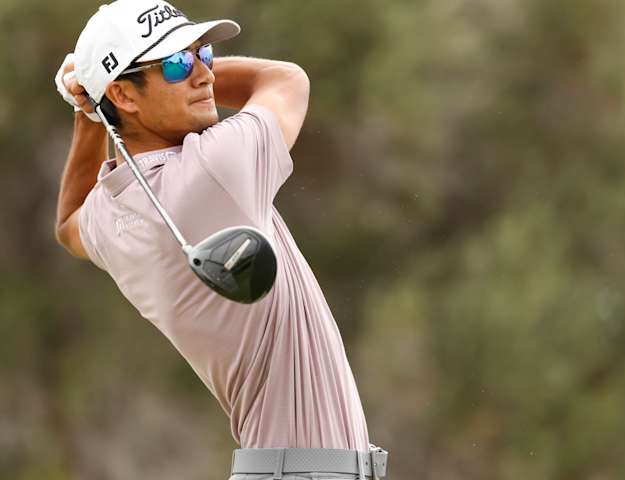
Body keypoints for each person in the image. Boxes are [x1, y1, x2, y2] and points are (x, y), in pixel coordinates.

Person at [52, 1, 388, 478]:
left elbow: (68, 223)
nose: (205, 75)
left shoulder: (112, 211)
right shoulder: (214, 166)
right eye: (175, 63)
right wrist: (92, 100)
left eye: (204, 54)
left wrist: (90, 112)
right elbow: (284, 79)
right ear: (125, 95)